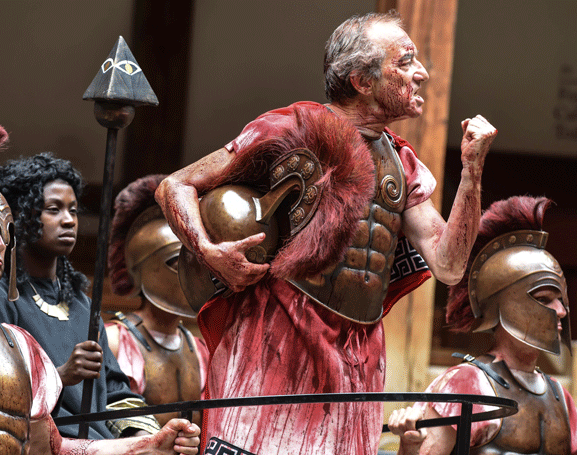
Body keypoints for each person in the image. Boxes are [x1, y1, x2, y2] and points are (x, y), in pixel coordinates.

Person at [155, 10, 498, 455]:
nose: (422, 73)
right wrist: (207, 250)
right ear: (361, 79)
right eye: (405, 61)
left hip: (359, 351)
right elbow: (175, 185)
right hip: (278, 334)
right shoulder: (291, 127)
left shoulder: (402, 162)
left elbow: (450, 265)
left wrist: (472, 172)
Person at [0, 120, 200, 454]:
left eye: (4, 231)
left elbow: (54, 449)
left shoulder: (24, 345)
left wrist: (148, 445)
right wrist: (65, 374)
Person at [0, 153, 163, 439]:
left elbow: (116, 393)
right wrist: (60, 375)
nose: (69, 220)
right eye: (53, 209)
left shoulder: (82, 304)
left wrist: (148, 440)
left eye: (74, 210)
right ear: (20, 216)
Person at [388, 195, 576, 455]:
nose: (561, 311)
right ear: (505, 306)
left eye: (561, 300)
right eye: (544, 299)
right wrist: (410, 445)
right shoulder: (465, 385)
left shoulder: (561, 399)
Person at [105, 174, 209, 427]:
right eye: (177, 262)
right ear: (142, 267)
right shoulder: (114, 340)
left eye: (195, 263)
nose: (189, 276)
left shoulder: (199, 350)